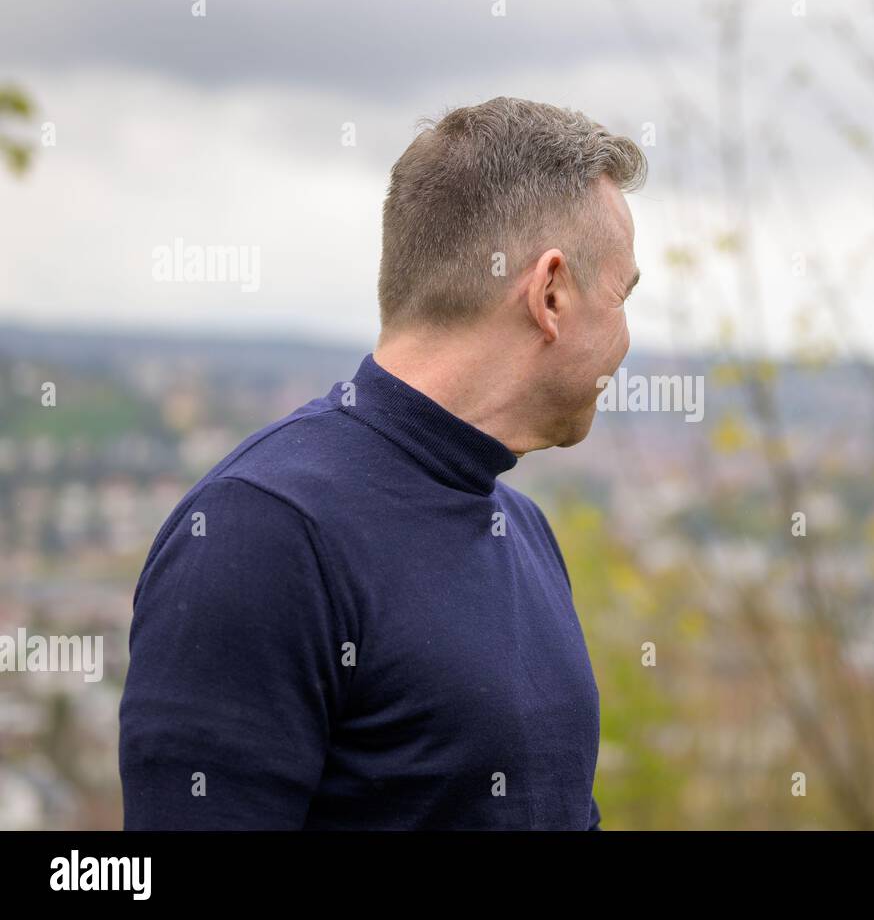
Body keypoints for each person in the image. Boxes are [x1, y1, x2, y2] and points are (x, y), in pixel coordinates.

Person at [118, 96, 646, 829]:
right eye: (624, 296)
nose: (627, 342)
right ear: (550, 292)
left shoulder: (521, 530)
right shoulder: (262, 533)